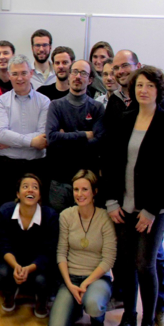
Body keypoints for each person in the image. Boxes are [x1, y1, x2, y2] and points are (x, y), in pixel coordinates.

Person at [104, 66, 164, 326]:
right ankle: (129, 318)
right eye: (139, 86)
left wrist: (149, 210)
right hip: (124, 205)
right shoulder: (124, 120)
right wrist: (111, 201)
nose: (143, 90)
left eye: (149, 86)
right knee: (125, 264)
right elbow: (111, 163)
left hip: (154, 209)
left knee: (145, 264)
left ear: (158, 90)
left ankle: (148, 322)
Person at [48, 170, 116, 326]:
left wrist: (86, 283)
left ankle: (97, 318)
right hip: (71, 278)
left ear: (94, 191)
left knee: (93, 304)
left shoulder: (105, 218)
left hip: (97, 278)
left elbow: (109, 259)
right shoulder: (66, 216)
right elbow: (61, 253)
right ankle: (75, 308)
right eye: (76, 190)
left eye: (84, 189)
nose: (79, 194)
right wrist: (69, 283)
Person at [0, 174, 59, 318]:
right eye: (25, 187)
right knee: (2, 273)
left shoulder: (50, 216)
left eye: (35, 188)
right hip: (13, 261)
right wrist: (17, 266)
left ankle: (41, 300)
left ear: (40, 195)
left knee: (42, 280)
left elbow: (48, 252)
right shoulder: (5, 211)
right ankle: (10, 293)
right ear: (18, 193)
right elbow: (3, 245)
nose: (30, 190)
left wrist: (28, 269)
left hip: (37, 265)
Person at [45, 60, 105, 213]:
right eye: (75, 72)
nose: (78, 76)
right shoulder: (56, 105)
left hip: (87, 182)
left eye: (83, 73)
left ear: (90, 80)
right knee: (59, 229)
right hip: (60, 180)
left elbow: (99, 142)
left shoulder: (97, 108)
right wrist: (84, 134)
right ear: (69, 75)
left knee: (85, 228)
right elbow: (52, 138)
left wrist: (65, 139)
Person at [0, 54, 50, 206]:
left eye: (24, 73)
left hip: (35, 166)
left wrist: (12, 141)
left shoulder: (45, 101)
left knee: (34, 212)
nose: (20, 78)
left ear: (31, 73)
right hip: (7, 168)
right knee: (5, 211)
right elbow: (1, 134)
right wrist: (32, 142)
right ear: (9, 75)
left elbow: (42, 135)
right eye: (15, 74)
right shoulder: (1, 101)